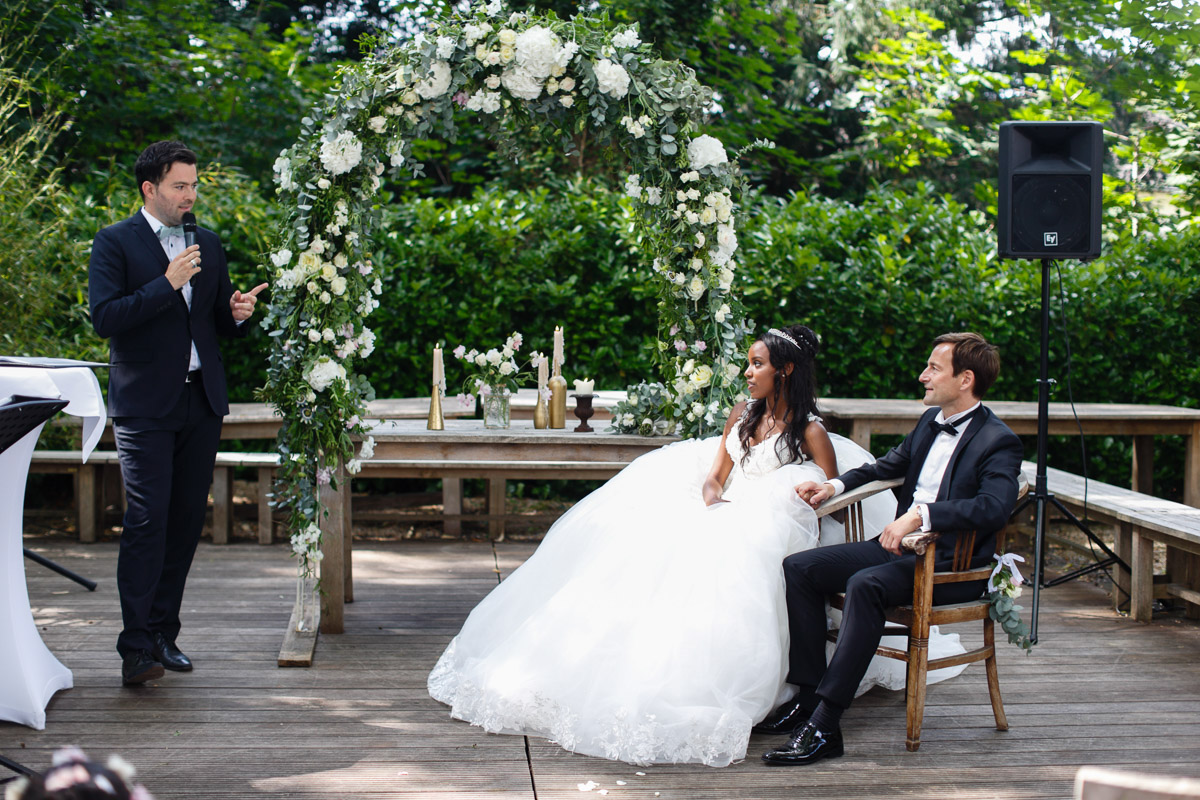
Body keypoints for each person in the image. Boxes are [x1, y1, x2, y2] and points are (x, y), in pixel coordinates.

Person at [428, 325, 966, 767]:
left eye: (758, 364)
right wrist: (712, 499)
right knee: (647, 544)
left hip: (771, 517)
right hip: (727, 506)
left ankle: (784, 692)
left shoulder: (810, 431)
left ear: (786, 371)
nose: (749, 373)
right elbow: (716, 476)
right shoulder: (742, 413)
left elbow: (827, 498)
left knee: (735, 556)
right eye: (748, 364)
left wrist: (797, 497)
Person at [759, 331, 1024, 766]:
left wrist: (921, 514)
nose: (923, 376)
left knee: (865, 585)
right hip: (901, 554)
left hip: (949, 568)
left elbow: (993, 507)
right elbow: (887, 466)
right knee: (800, 569)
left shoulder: (998, 440)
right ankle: (807, 699)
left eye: (934, 368)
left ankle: (825, 726)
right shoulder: (928, 422)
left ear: (965, 379)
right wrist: (833, 485)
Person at [88, 140, 267, 686]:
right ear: (150, 189)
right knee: (147, 520)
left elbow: (215, 323)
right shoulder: (114, 242)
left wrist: (239, 314)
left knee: (187, 521)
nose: (190, 195)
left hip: (200, 399)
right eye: (179, 186)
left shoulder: (206, 242)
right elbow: (106, 318)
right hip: (143, 404)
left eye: (193, 185)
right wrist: (166, 284)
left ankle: (165, 633)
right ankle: (135, 647)